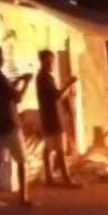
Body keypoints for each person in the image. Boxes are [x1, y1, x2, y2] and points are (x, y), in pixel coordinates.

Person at [0, 44, 34, 207]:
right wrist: (26, 83)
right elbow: (17, 98)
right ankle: (23, 197)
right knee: (21, 161)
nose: (2, 59)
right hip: (9, 124)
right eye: (0, 56)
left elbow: (5, 92)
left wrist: (17, 81)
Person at [35, 50, 79, 187]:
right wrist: (69, 83)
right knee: (59, 149)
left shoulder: (45, 77)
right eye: (48, 61)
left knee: (49, 148)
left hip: (50, 115)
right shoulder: (44, 78)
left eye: (51, 61)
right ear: (42, 62)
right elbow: (57, 96)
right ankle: (66, 180)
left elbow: (57, 96)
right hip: (52, 116)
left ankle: (49, 177)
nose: (51, 64)